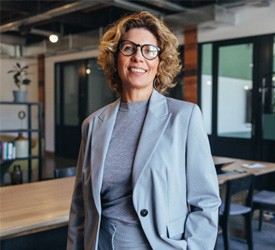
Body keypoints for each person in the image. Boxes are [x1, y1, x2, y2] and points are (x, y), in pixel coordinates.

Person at [67, 10, 221, 250]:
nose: (138, 57)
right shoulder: (93, 124)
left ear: (160, 63)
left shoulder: (185, 117)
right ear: (115, 58)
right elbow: (80, 207)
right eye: (129, 48)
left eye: (149, 51)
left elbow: (206, 202)